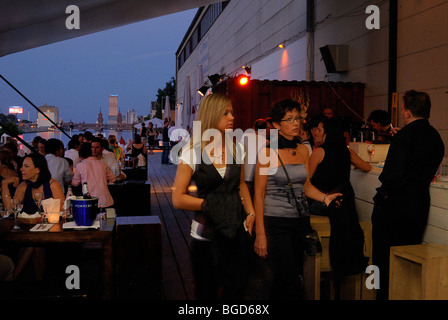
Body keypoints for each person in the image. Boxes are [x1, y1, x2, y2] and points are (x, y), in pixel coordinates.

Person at [253, 99, 342, 300]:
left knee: (283, 281)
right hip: (274, 223)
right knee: (291, 281)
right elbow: (258, 194)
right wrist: (260, 233)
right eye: (289, 119)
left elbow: (306, 186)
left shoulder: (303, 149)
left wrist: (325, 198)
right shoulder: (267, 152)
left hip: (299, 223)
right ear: (276, 125)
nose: (296, 123)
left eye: (298, 118)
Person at [172, 93, 255, 300]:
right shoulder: (192, 152)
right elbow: (178, 198)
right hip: (206, 234)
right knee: (206, 293)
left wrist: (251, 213)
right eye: (225, 113)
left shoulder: (237, 149)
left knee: (236, 291)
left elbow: (241, 185)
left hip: (237, 231)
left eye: (232, 112)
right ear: (211, 115)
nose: (232, 117)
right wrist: (207, 205)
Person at [371, 90, 445, 300]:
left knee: (381, 261)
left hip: (394, 206)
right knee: (406, 261)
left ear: (406, 112)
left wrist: (382, 198)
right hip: (419, 204)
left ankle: (378, 295)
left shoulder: (404, 137)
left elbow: (392, 175)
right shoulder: (436, 138)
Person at [308, 117, 369, 291]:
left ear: (327, 132)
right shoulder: (346, 151)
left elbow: (306, 180)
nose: (316, 132)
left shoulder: (319, 152)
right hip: (346, 205)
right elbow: (367, 167)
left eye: (320, 130)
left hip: (324, 204)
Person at [2, 153, 65, 280]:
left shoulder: (52, 185)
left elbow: (63, 212)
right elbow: (11, 209)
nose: (21, 169)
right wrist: (4, 185)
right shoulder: (24, 186)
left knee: (35, 244)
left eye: (26, 166)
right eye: (22, 166)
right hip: (28, 234)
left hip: (51, 234)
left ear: (37, 170)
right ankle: (34, 284)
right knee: (35, 245)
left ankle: (15, 277)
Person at [72, 142, 116, 208]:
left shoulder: (80, 166)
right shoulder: (103, 164)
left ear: (80, 154)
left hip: (89, 201)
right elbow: (113, 179)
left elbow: (75, 183)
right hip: (105, 200)